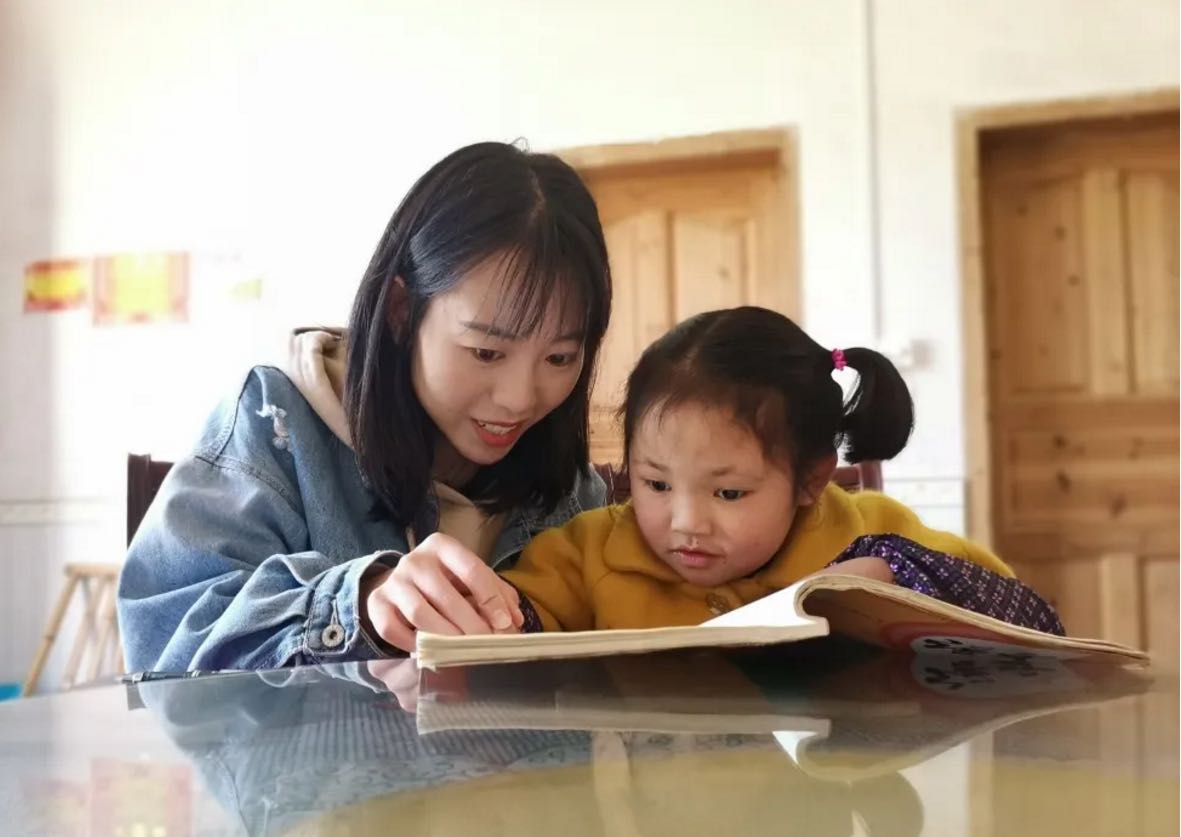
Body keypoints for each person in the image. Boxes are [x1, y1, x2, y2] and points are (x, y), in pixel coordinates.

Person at [117, 141, 613, 672]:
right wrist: (359, 605)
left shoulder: (571, 491)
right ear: (401, 310)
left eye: (560, 357)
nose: (520, 398)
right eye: (486, 352)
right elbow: (164, 644)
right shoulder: (275, 424)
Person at [500, 306, 1063, 634]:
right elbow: (505, 626)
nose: (685, 522)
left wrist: (898, 573)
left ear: (811, 480)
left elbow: (1030, 621)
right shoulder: (591, 550)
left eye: (728, 492)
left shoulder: (874, 533)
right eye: (656, 484)